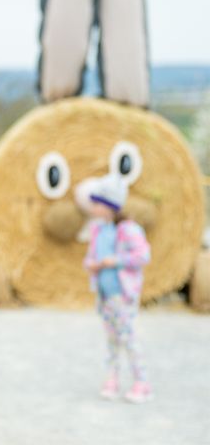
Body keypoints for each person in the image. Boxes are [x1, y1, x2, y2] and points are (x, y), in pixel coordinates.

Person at [82, 173, 152, 403]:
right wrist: (92, 265)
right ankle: (112, 378)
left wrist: (116, 260)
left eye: (97, 202)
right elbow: (90, 257)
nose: (92, 206)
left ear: (109, 205)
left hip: (122, 294)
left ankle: (141, 381)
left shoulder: (128, 229)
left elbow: (143, 255)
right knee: (111, 339)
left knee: (128, 337)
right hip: (104, 295)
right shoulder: (97, 230)